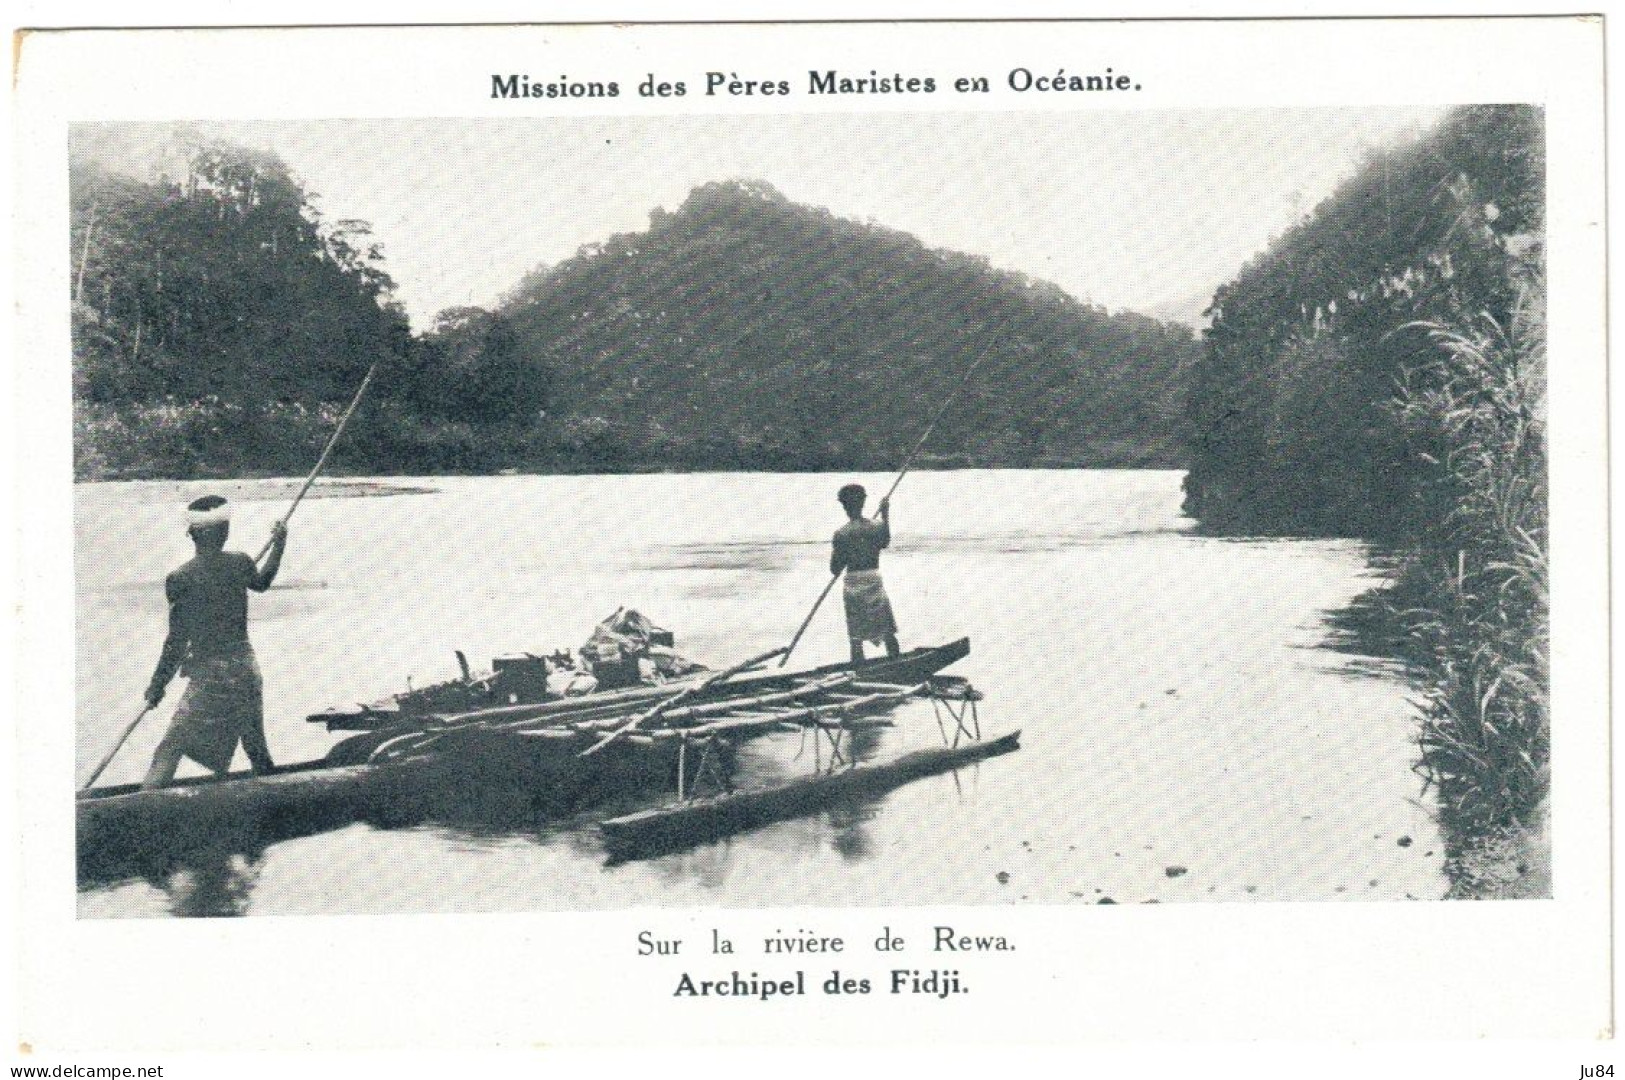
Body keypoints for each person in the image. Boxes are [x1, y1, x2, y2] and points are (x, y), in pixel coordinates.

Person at [141, 495, 288, 789]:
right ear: (225, 532)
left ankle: (143, 815)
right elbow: (262, 583)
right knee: (256, 749)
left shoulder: (182, 577)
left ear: (192, 534)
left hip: (212, 677)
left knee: (169, 749)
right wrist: (279, 545)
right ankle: (281, 802)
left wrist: (158, 684)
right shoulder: (240, 562)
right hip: (245, 670)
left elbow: (177, 641)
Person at [829, 483, 900, 665]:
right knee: (886, 629)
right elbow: (884, 542)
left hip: (853, 584)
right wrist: (885, 514)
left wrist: (845, 554)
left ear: (844, 506)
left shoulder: (841, 534)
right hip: (873, 579)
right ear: (862, 503)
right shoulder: (876, 527)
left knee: (856, 635)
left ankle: (858, 670)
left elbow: (835, 569)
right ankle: (897, 664)